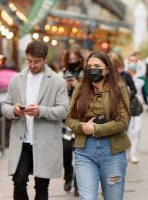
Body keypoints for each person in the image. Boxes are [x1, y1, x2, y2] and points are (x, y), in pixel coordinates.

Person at [1, 40, 69, 200]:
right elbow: (5, 106)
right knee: (18, 181)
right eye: (29, 61)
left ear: (45, 59)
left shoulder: (57, 81)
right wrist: (14, 111)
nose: (32, 65)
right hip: (22, 141)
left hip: (45, 141)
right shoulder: (17, 79)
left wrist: (41, 111)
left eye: (36, 62)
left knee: (41, 186)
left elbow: (64, 110)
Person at [67, 51, 131, 200]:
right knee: (87, 197)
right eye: (89, 66)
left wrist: (96, 129)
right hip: (85, 152)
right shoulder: (80, 89)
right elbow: (70, 118)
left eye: (97, 66)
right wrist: (82, 127)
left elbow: (123, 120)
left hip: (113, 152)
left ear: (107, 69)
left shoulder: (119, 89)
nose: (92, 69)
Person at [61, 46, 84, 196]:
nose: (73, 62)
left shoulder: (85, 74)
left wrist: (78, 86)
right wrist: (65, 86)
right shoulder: (62, 74)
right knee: (66, 150)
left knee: (80, 153)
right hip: (65, 120)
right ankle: (68, 175)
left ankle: (78, 183)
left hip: (81, 119)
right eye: (70, 59)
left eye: (75, 59)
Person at [126, 53, 148, 163]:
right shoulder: (123, 76)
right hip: (125, 106)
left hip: (138, 106)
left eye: (135, 61)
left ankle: (133, 153)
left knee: (136, 131)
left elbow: (147, 93)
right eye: (131, 60)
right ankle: (126, 153)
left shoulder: (142, 78)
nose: (133, 63)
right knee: (127, 132)